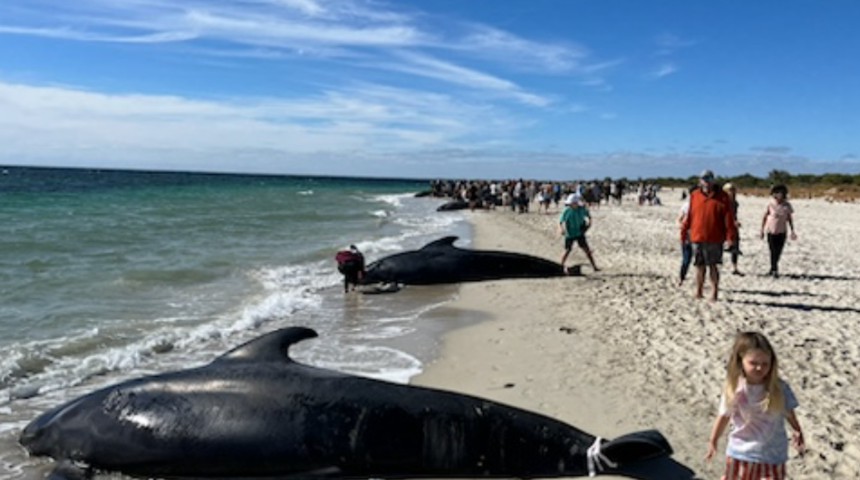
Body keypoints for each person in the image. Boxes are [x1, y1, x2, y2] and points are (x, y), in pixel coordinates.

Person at [705, 332, 805, 480]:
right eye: (753, 363)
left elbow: (788, 411)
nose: (760, 368)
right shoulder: (735, 388)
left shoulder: (779, 387)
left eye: (765, 364)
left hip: (773, 454)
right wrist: (713, 440)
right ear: (740, 361)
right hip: (741, 452)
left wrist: (797, 429)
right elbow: (724, 416)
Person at [680, 169, 737, 301]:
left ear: (713, 180)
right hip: (696, 235)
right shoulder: (694, 195)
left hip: (715, 237)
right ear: (700, 181)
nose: (706, 182)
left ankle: (714, 292)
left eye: (709, 179)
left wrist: (730, 237)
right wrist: (684, 231)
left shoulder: (723, 197)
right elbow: (690, 215)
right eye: (703, 179)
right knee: (699, 265)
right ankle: (699, 290)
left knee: (713, 265)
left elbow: (728, 218)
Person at [761, 185, 796, 278]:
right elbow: (764, 217)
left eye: (779, 193)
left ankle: (773, 268)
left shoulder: (787, 205)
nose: (777, 195)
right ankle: (774, 269)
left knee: (778, 251)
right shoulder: (770, 204)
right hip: (771, 231)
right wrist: (762, 230)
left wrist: (792, 230)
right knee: (772, 251)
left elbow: (789, 218)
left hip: (782, 231)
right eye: (776, 193)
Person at [558, 193, 599, 273]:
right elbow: (560, 221)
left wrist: (589, 224)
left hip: (580, 232)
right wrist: (561, 229)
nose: (570, 205)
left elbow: (589, 216)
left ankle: (594, 266)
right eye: (570, 203)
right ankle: (560, 266)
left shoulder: (582, 209)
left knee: (587, 250)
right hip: (570, 233)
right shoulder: (567, 210)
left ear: (576, 203)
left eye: (572, 203)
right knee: (567, 250)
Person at [676, 185, 697, 287]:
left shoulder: (700, 205)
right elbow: (679, 219)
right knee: (687, 258)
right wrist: (682, 227)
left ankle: (684, 278)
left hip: (697, 235)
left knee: (695, 259)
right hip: (688, 235)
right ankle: (681, 277)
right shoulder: (687, 205)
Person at [723, 182, 744, 276]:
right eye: (730, 190)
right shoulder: (723, 202)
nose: (732, 192)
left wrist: (735, 221)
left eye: (733, 190)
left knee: (736, 246)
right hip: (724, 225)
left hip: (733, 226)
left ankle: (735, 267)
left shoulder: (735, 203)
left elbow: (734, 215)